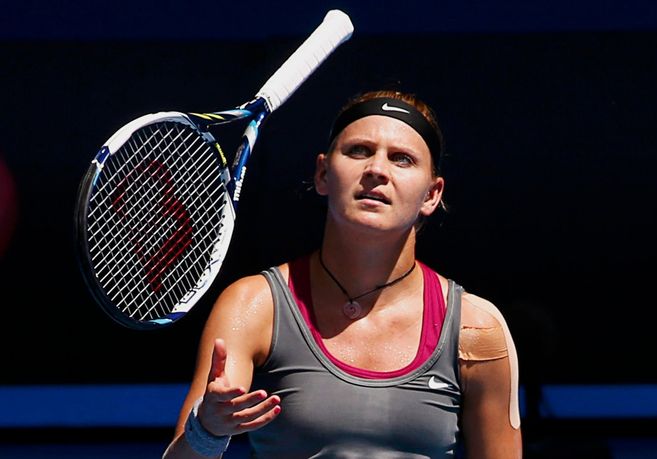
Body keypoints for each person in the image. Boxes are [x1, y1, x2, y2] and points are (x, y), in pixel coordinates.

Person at [163, 89, 522, 458]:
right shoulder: (253, 305)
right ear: (322, 173)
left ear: (432, 194)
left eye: (402, 159)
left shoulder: (478, 330)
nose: (377, 170)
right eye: (359, 151)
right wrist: (206, 430)